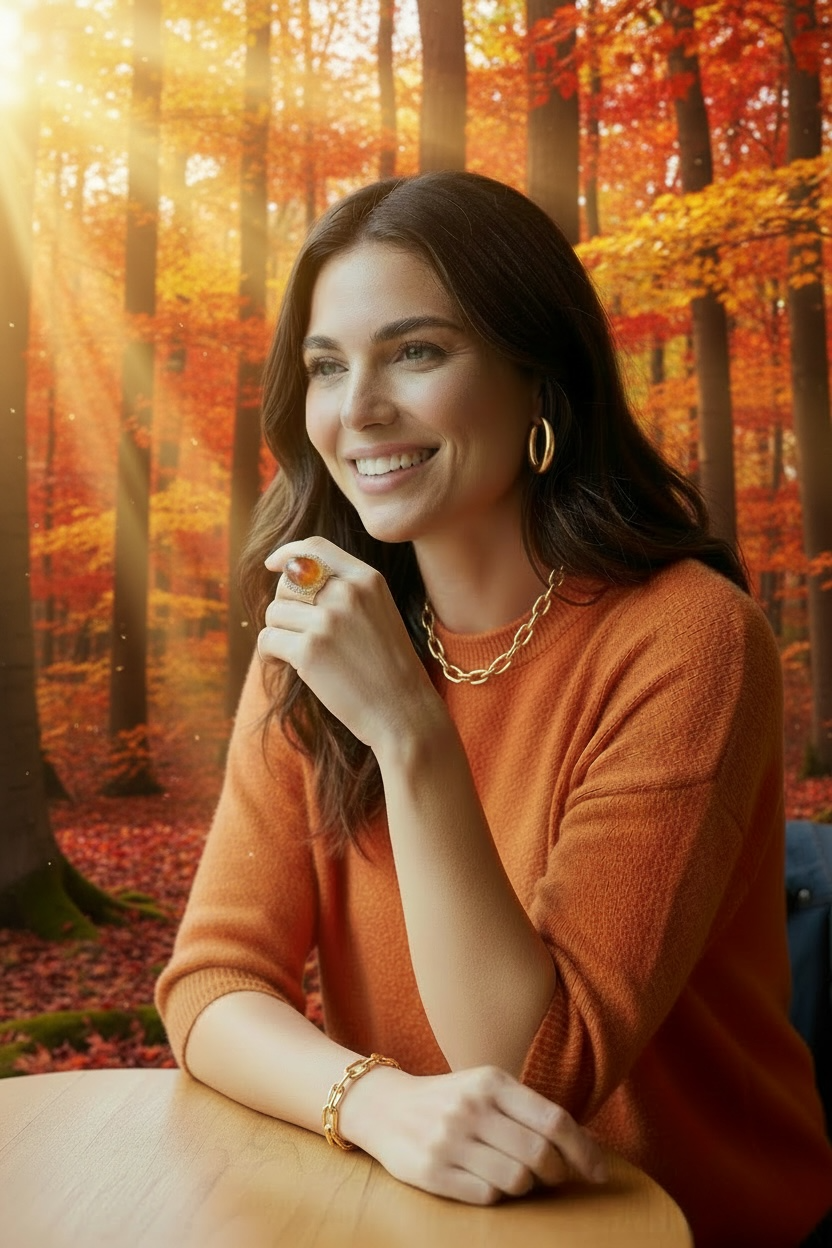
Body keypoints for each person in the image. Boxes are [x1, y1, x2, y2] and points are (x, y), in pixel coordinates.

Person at [156, 171, 832, 1246]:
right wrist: (376, 1102)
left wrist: (409, 731)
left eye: (416, 352)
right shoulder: (321, 623)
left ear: (539, 380)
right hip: (411, 1211)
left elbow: (531, 1063)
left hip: (675, 1222)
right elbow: (215, 980)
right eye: (328, 367)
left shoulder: (687, 637)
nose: (359, 407)